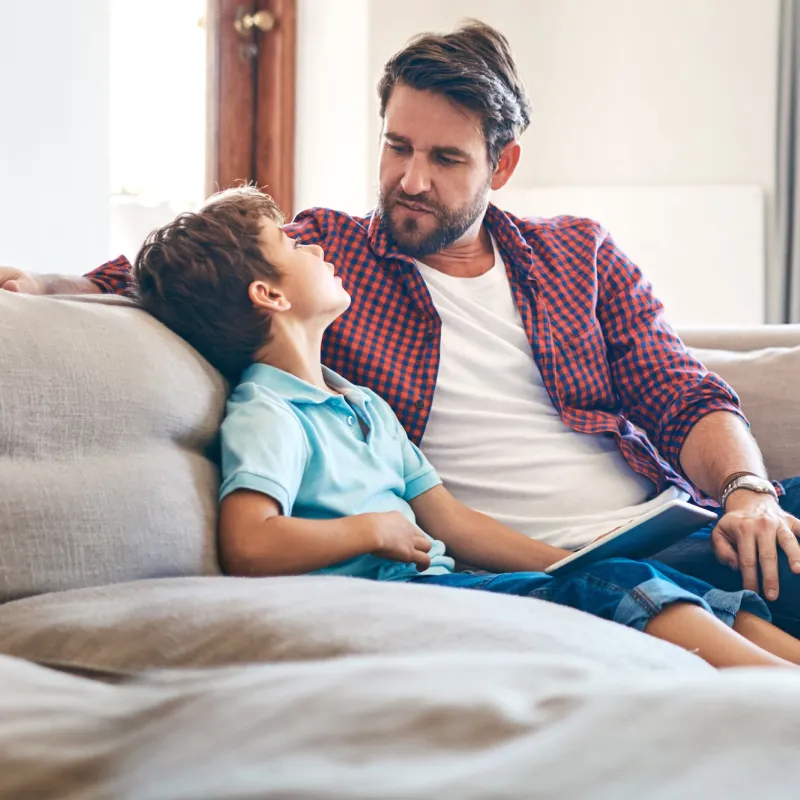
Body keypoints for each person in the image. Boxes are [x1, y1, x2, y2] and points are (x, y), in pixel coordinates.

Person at [3, 21, 800, 633]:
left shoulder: (577, 252)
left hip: (670, 525)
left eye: (446, 159)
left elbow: (682, 391)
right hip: (546, 563)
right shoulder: (330, 257)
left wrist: (748, 493)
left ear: (503, 164)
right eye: (396, 147)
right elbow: (175, 270)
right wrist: (46, 283)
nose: (410, 181)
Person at [124, 183, 800, 670]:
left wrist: (575, 560)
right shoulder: (268, 411)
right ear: (269, 295)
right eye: (290, 244)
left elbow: (448, 518)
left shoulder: (360, 404)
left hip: (509, 565)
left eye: (445, 157)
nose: (309, 242)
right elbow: (247, 543)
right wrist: (367, 530)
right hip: (414, 595)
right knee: (624, 587)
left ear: (499, 164)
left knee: (646, 572)